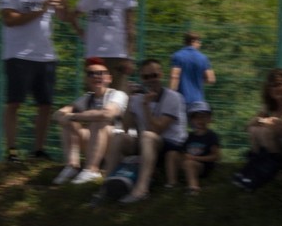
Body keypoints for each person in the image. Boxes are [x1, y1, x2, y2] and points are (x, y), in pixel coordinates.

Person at [0, 0, 66, 164]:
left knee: (45, 105)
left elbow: (64, 16)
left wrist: (62, 4)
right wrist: (41, 10)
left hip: (45, 55)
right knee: (14, 103)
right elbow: (10, 19)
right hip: (19, 54)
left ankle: (38, 150)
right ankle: (12, 151)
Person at [102, 58, 187, 205]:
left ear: (161, 75)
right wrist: (129, 100)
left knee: (147, 136)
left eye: (154, 75)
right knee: (119, 137)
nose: (151, 80)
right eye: (146, 77)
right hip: (146, 144)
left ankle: (141, 189)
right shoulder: (138, 99)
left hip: (169, 145)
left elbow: (157, 129)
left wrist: (146, 106)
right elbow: (125, 127)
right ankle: (106, 184)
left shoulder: (173, 97)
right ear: (142, 78)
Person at [69, 0, 139, 92]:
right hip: (93, 56)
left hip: (116, 56)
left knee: (117, 99)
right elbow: (72, 16)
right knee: (92, 98)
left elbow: (131, 28)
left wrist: (129, 57)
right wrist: (82, 34)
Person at [52, 58, 128, 186]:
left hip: (116, 144)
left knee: (98, 121)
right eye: (91, 74)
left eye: (100, 73)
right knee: (69, 123)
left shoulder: (118, 95)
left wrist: (72, 116)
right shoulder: (87, 98)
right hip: (95, 142)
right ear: (86, 79)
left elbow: (107, 114)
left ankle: (92, 170)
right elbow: (59, 113)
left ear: (109, 78)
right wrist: (64, 117)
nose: (96, 76)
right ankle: (72, 165)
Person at [247, 68, 282, 156]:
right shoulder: (268, 106)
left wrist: (263, 121)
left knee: (265, 132)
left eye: (279, 84)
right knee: (254, 130)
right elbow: (250, 125)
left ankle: (273, 161)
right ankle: (259, 159)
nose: (275, 89)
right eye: (272, 86)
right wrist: (263, 121)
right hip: (273, 144)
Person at [177, 101, 221, 194]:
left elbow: (216, 156)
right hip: (189, 162)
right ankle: (172, 183)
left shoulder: (211, 136)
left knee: (189, 163)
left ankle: (193, 188)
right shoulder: (190, 136)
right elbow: (183, 151)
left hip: (204, 166)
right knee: (173, 155)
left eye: (203, 117)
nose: (200, 120)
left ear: (209, 119)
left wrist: (195, 158)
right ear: (191, 120)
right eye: (196, 117)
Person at [168, 31, 215, 107]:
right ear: (193, 41)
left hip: (181, 101)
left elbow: (174, 77)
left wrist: (170, 96)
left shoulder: (177, 56)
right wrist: (198, 78)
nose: (200, 45)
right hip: (198, 101)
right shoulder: (203, 58)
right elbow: (211, 79)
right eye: (199, 42)